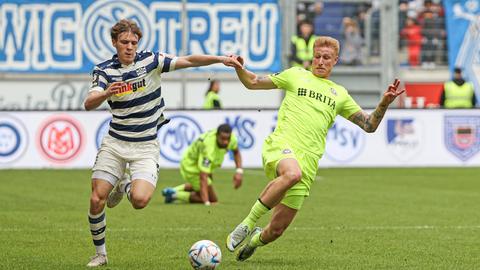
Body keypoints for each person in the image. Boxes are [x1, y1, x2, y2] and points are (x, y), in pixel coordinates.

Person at [225, 36, 404, 262]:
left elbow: (369, 125)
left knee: (276, 231)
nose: (320, 61)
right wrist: (240, 68)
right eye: (317, 56)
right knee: (292, 173)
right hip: (282, 145)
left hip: (309, 162)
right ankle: (246, 225)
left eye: (326, 58)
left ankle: (256, 240)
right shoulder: (295, 75)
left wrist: (384, 103)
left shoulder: (339, 94)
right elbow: (252, 82)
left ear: (335, 61)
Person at [83, 19, 241, 267]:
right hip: (115, 143)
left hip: (145, 146)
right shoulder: (103, 70)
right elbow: (89, 103)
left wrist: (221, 59)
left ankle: (125, 185)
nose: (129, 47)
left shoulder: (151, 61)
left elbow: (189, 60)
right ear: (114, 42)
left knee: (140, 201)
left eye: (134, 42)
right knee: (96, 199)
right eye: (124, 42)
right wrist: (106, 93)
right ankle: (101, 254)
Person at [161, 124, 243, 205]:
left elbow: (236, 151)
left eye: (227, 139)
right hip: (190, 166)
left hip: (199, 162)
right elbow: (203, 176)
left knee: (203, 186)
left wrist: (239, 171)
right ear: (217, 135)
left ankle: (174, 190)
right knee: (212, 199)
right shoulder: (208, 148)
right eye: (223, 139)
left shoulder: (232, 139)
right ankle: (174, 195)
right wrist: (207, 202)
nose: (226, 142)